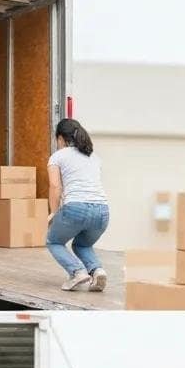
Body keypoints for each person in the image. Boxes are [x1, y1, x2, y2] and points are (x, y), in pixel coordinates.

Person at [46, 118, 110, 292]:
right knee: (82, 245)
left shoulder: (58, 156)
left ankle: (77, 272)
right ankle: (97, 271)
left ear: (60, 138)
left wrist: (53, 212)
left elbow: (55, 186)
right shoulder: (94, 157)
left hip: (76, 208)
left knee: (54, 241)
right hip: (102, 211)